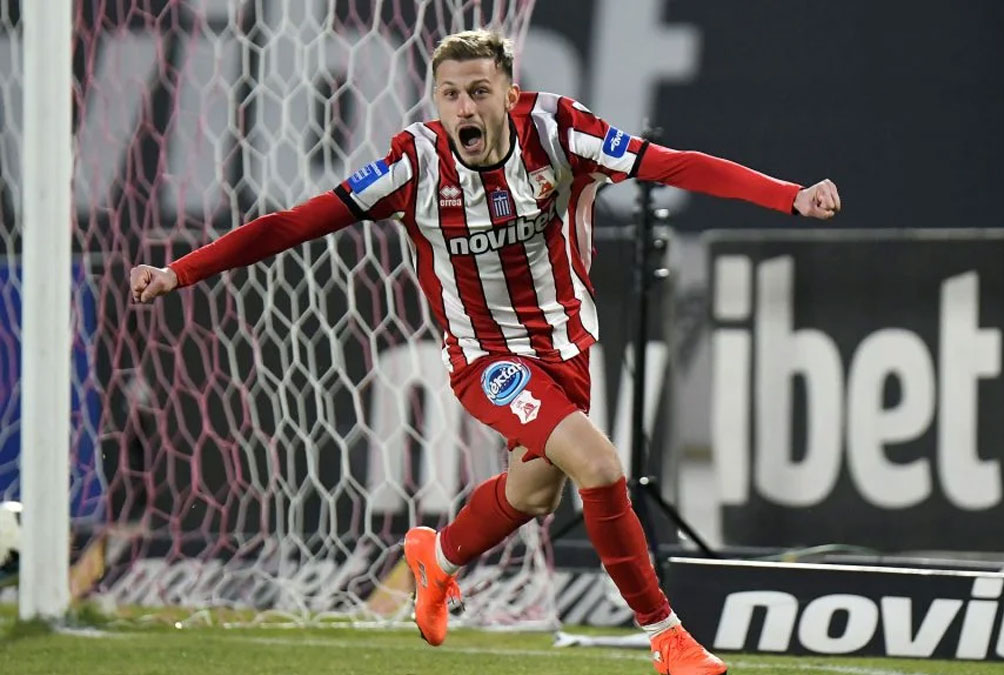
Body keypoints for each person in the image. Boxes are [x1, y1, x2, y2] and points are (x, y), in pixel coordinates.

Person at [130, 29, 840, 675]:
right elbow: (292, 223)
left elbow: (674, 166)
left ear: (508, 92)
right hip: (485, 357)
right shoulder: (414, 165)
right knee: (599, 466)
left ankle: (436, 556)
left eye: (478, 91)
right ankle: (667, 637)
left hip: (566, 344)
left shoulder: (560, 132)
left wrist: (789, 196)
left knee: (534, 493)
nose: (464, 107)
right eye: (450, 94)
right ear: (436, 100)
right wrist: (179, 272)